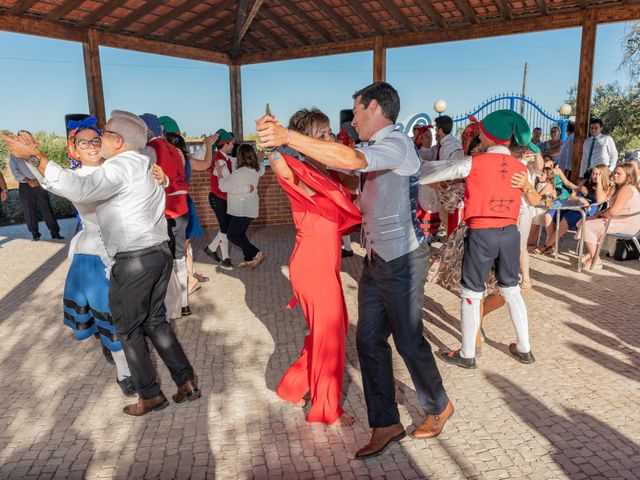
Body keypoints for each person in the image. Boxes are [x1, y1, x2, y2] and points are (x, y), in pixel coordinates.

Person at [258, 82, 452, 458]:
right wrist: (283, 149)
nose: (353, 120)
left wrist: (289, 137)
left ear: (374, 108)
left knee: (408, 341)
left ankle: (437, 405)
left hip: (403, 260)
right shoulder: (372, 150)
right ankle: (386, 423)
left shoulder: (395, 143)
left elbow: (353, 163)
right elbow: (347, 174)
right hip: (376, 259)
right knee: (367, 340)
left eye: (357, 112)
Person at [0, 110, 200, 416]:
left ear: (117, 141)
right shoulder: (143, 159)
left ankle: (150, 395)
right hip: (159, 253)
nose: (98, 140)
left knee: (127, 329)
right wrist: (34, 158)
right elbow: (73, 182)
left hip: (134, 259)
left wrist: (36, 155)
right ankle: (186, 382)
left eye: (103, 134)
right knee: (155, 321)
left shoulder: (117, 168)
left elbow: (78, 188)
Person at [419, 109, 538, 369]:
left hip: (481, 232)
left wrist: (425, 179)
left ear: (485, 134)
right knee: (511, 290)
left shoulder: (473, 162)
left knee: (471, 292)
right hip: (509, 234)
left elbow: (429, 177)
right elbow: (532, 199)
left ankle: (467, 353)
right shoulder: (521, 168)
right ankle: (525, 349)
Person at [264, 108, 360, 426]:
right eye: (324, 135)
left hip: (324, 262)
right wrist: (273, 146)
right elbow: (281, 169)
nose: (331, 138)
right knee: (329, 337)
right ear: (307, 140)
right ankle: (326, 409)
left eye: (330, 133)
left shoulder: (326, 171)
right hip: (312, 264)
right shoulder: (296, 167)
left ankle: (293, 386)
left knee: (335, 329)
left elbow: (355, 176)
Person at [141, 113, 192, 318]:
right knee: (179, 257)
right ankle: (184, 302)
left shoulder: (149, 150)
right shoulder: (177, 149)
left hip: (165, 211)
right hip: (182, 209)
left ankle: (172, 308)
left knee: (166, 261)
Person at [159, 116, 209, 294]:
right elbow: (205, 164)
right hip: (184, 202)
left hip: (171, 205)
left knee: (177, 246)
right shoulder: (185, 158)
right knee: (183, 243)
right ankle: (189, 275)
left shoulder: (163, 157)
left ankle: (186, 278)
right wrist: (209, 146)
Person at [534, 164, 610, 255]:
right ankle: (553, 244)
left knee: (566, 219)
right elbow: (572, 196)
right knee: (549, 214)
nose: (593, 176)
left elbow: (599, 200)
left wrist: (599, 183)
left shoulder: (605, 188)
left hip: (586, 211)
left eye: (597, 174)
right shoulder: (585, 182)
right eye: (593, 173)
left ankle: (547, 245)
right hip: (574, 204)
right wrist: (580, 199)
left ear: (602, 176)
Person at [578, 163, 640, 270]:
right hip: (622, 220)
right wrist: (599, 214)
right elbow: (612, 209)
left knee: (587, 225)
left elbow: (612, 212)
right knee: (584, 221)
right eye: (615, 173)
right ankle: (592, 254)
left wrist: (600, 214)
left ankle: (595, 260)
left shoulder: (627, 190)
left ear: (629, 177)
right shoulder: (621, 188)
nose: (615, 175)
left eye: (618, 174)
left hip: (627, 224)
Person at [217, 144, 265, 269]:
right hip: (251, 208)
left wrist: (220, 173)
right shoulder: (255, 169)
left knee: (232, 235)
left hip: (242, 209)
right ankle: (248, 258)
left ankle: (256, 253)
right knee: (241, 233)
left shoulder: (239, 173)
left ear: (239, 157)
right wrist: (260, 159)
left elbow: (223, 187)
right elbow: (262, 169)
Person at [193, 129, 235, 268]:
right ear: (225, 144)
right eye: (231, 144)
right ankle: (225, 259)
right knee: (225, 229)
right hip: (218, 198)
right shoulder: (219, 160)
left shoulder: (225, 158)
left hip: (222, 198)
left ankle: (211, 249)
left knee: (226, 228)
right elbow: (228, 183)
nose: (233, 146)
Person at [9, 144, 63, 241]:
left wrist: (41, 179)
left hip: (39, 183)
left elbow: (41, 166)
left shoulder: (33, 152)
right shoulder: (14, 155)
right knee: (29, 211)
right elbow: (15, 172)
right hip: (25, 185)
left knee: (47, 209)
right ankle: (35, 234)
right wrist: (29, 181)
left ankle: (55, 233)